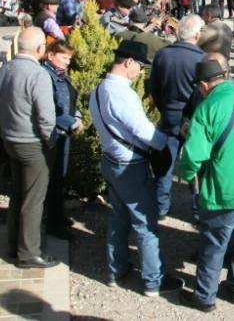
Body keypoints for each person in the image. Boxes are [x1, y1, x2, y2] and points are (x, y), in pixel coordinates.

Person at [90, 40, 182, 297]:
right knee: (145, 224)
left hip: (110, 160)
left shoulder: (99, 88)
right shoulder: (123, 93)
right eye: (139, 67)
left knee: (118, 219)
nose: (140, 72)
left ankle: (116, 270)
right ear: (129, 62)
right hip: (130, 165)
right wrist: (165, 141)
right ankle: (153, 280)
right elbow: (143, 131)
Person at [178, 57, 234, 312]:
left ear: (203, 85)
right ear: (225, 76)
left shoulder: (206, 108)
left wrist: (187, 175)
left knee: (215, 242)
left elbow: (193, 156)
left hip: (226, 188)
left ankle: (205, 296)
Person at [0, 27, 59, 268]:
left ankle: (14, 245)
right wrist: (50, 141)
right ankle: (29, 252)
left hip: (10, 140)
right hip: (33, 143)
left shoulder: (2, 70)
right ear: (40, 49)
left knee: (18, 195)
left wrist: (5, 132)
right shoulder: (37, 74)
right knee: (33, 200)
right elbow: (46, 116)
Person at [147, 15, 205, 218]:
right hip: (193, 118)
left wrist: (164, 107)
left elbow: (154, 86)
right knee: (196, 163)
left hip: (169, 114)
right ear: (197, 35)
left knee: (165, 163)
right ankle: (199, 208)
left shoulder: (163, 54)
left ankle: (161, 206)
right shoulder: (201, 59)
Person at [42, 41, 83, 240]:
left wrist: (79, 115)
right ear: (50, 55)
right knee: (54, 178)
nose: (67, 62)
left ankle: (58, 215)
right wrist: (71, 123)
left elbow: (71, 99)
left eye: (69, 58)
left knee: (60, 177)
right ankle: (53, 222)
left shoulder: (60, 76)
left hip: (63, 133)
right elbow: (49, 108)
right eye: (64, 57)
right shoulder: (46, 76)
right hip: (55, 133)